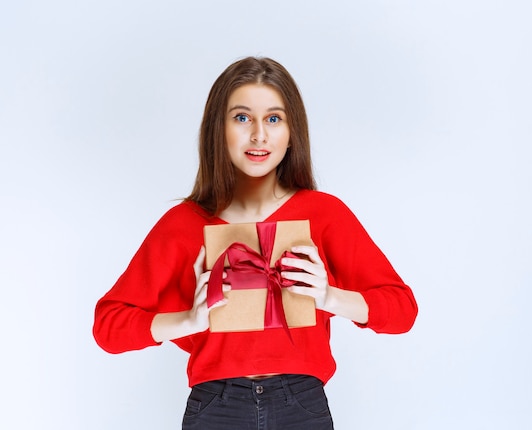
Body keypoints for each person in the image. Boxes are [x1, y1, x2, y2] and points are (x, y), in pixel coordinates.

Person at [93, 56, 418, 430]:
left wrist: (331, 297)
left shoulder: (325, 214)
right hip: (216, 405)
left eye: (274, 119)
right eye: (242, 117)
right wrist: (189, 320)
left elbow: (402, 310)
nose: (259, 135)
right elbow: (108, 328)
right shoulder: (184, 223)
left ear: (292, 132)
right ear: (219, 129)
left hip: (302, 404)